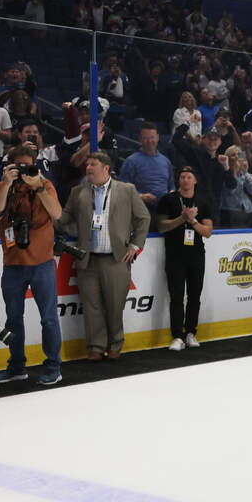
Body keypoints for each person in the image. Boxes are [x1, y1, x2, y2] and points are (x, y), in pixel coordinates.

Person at [56, 151, 150, 360]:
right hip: (87, 259)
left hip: (116, 259)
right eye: (87, 165)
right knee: (92, 307)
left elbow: (143, 218)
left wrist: (135, 246)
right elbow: (63, 219)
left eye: (93, 164)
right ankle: (95, 348)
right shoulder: (78, 192)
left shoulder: (126, 190)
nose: (88, 168)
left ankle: (115, 343)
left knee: (115, 306)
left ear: (106, 168)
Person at [0, 145, 63, 384]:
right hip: (13, 264)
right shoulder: (4, 187)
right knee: (13, 319)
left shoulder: (45, 186)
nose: (24, 171)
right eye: (19, 167)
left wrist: (38, 186)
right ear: (10, 166)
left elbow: (57, 213)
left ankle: (53, 366)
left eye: (28, 166)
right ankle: (16, 367)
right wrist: (6, 184)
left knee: (49, 318)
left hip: (41, 263)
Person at [157, 167, 213, 351]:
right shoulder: (168, 200)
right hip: (175, 256)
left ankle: (190, 332)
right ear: (178, 180)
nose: (185, 179)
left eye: (189, 177)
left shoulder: (202, 202)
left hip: (196, 255)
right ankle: (177, 336)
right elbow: (161, 226)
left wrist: (193, 221)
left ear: (195, 180)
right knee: (176, 296)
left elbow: (208, 231)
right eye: (182, 177)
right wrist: (182, 218)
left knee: (195, 295)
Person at [117, 123, 173, 220]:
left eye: (152, 137)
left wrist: (171, 193)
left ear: (157, 138)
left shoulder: (166, 161)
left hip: (164, 211)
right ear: (140, 139)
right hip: (140, 211)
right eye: (145, 138)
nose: (149, 141)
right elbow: (122, 188)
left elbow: (171, 186)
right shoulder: (131, 161)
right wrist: (140, 196)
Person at [219, 144, 252, 227]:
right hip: (229, 211)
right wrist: (235, 174)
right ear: (228, 159)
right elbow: (231, 191)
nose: (236, 157)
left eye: (238, 154)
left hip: (247, 210)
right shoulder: (225, 174)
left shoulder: (244, 173)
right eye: (233, 155)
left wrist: (246, 173)